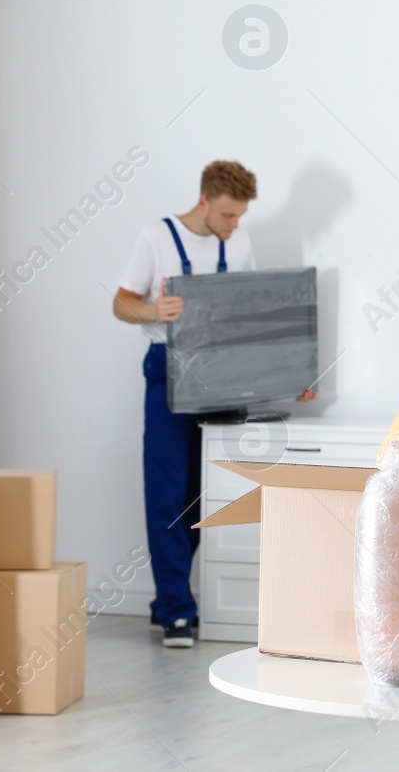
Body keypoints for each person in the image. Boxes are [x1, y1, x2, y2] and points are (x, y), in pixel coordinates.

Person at [113, 159, 315, 649]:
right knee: (165, 490)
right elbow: (121, 302)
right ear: (204, 201)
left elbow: (248, 315)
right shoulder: (154, 238)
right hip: (168, 367)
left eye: (239, 218)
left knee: (205, 494)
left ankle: (167, 600)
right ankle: (179, 612)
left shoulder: (238, 242)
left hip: (222, 369)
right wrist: (152, 310)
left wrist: (288, 376)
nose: (234, 227)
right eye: (227, 216)